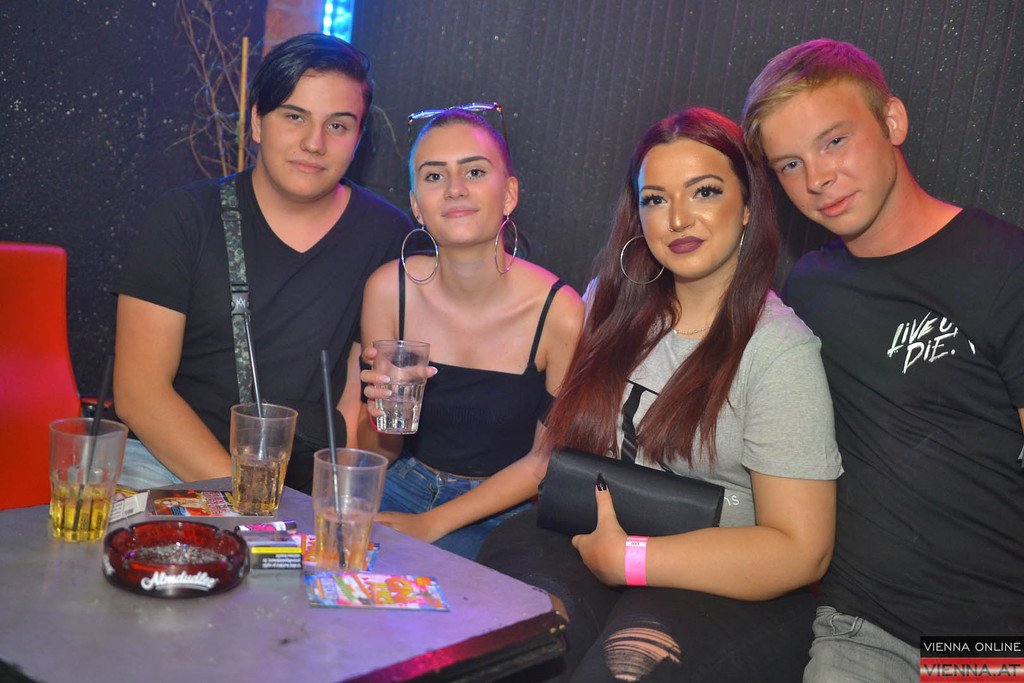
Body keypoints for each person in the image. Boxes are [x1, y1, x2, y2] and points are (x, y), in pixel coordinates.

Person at [477, 107, 842, 682]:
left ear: (748, 205)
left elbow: (802, 550)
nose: (677, 218)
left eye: (704, 191)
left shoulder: (778, 350)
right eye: (655, 199)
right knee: (507, 650)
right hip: (579, 536)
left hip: (719, 580)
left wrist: (632, 559)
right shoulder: (605, 303)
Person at [741, 39, 1024, 682]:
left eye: (834, 141)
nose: (817, 179)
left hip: (993, 640)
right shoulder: (808, 289)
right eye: (790, 164)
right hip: (862, 630)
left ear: (892, 121)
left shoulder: (1003, 265)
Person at [113, 33, 411, 493]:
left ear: (358, 138)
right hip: (168, 459)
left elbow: (365, 431)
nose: (314, 143)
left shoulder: (388, 236)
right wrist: (248, 495)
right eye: (294, 117)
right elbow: (139, 393)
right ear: (256, 122)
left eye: (337, 125)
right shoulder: (185, 218)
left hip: (305, 483)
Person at [356, 106, 584, 559]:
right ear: (416, 205)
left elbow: (545, 461)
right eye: (434, 176)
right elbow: (379, 452)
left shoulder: (560, 312)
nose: (455, 188)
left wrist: (431, 523)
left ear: (510, 193)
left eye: (474, 171)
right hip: (399, 484)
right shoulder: (388, 289)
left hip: (501, 511)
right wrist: (379, 414)